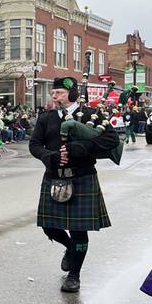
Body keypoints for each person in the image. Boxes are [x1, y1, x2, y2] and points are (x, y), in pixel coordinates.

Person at [29, 77, 118, 292]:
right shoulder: (46, 117)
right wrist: (49, 157)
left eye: (59, 92)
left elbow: (111, 140)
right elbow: (34, 144)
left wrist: (82, 148)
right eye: (54, 92)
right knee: (49, 226)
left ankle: (74, 275)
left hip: (82, 176)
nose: (54, 95)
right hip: (54, 176)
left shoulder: (91, 115)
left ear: (72, 94)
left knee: (78, 230)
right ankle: (69, 248)